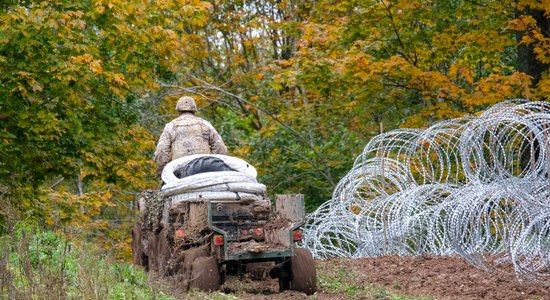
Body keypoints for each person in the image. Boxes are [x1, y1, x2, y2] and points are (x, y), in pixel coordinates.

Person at [153, 96, 228, 176]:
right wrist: (213, 163)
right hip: (204, 169)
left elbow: (161, 151)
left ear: (178, 109)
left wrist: (164, 168)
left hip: (180, 171)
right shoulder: (205, 124)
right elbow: (220, 147)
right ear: (194, 109)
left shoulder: (171, 126)